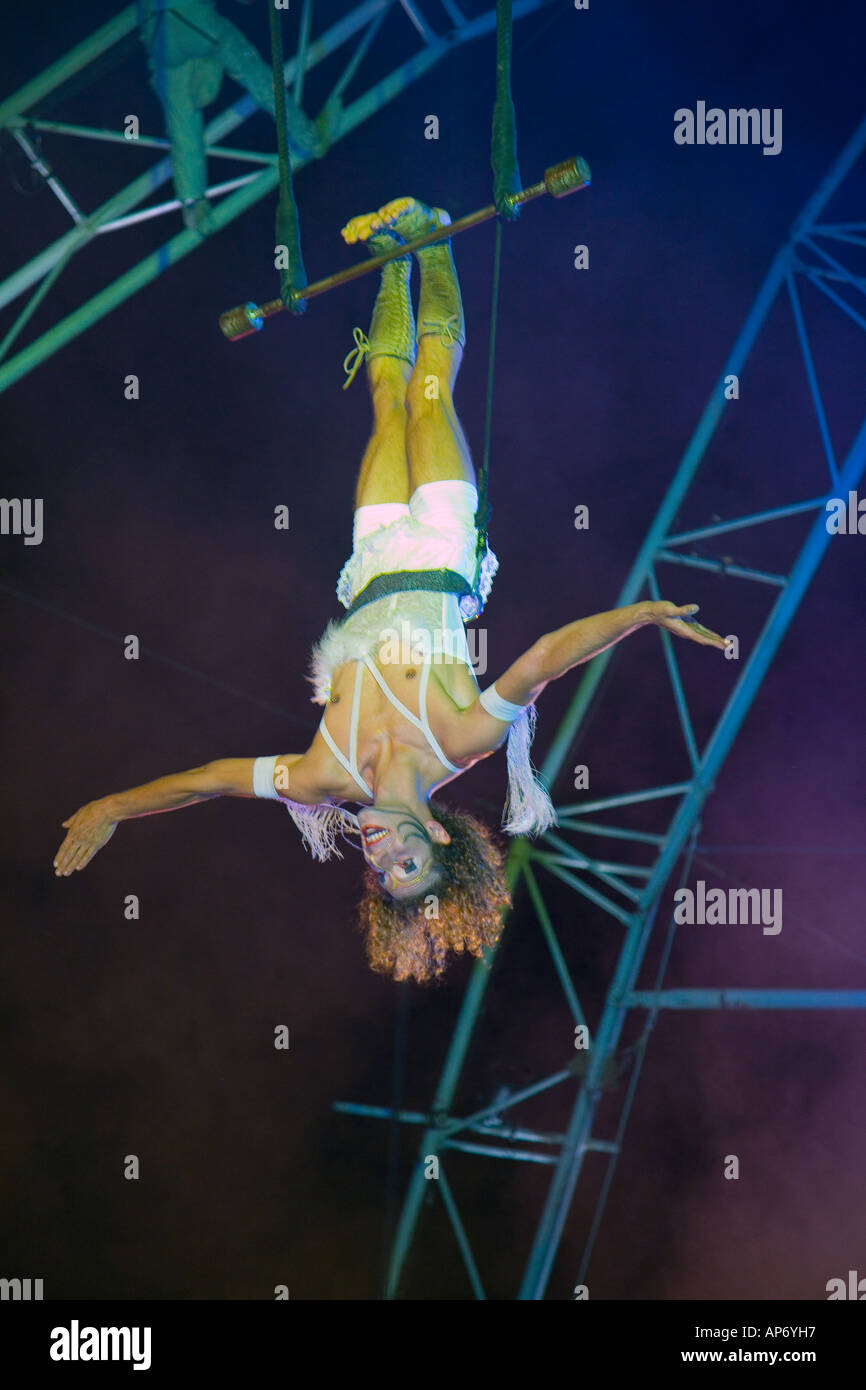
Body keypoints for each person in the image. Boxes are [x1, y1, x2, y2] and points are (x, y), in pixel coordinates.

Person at [54, 196, 726, 982]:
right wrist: (642, 614)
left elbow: (208, 782)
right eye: (411, 863)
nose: (384, 858)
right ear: (439, 838)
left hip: (371, 563)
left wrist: (113, 807)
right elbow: (544, 658)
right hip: (442, 543)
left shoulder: (322, 776)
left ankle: (393, 260)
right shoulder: (460, 741)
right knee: (429, 389)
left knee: (383, 404)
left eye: (383, 877)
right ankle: (433, 237)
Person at [139, 0, 325, 233]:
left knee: (182, 120)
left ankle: (192, 202)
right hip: (195, 21)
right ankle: (308, 137)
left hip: (157, 32)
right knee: (255, 75)